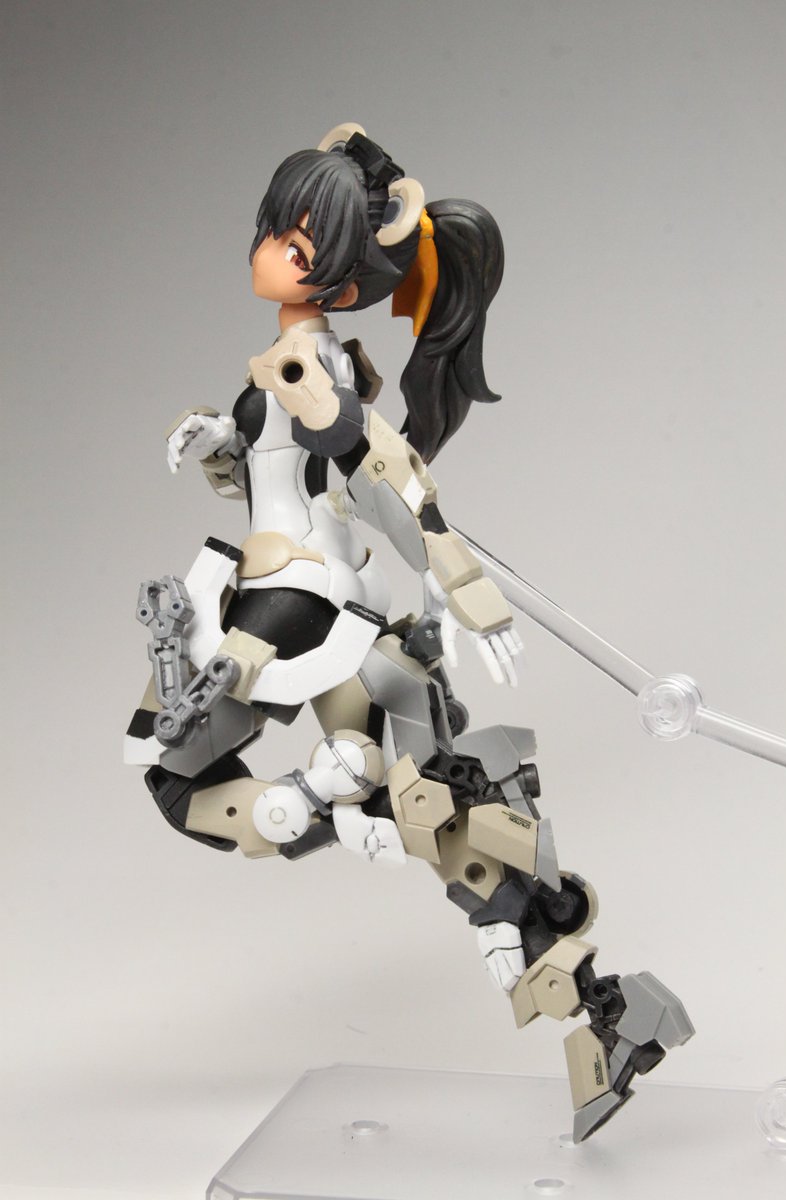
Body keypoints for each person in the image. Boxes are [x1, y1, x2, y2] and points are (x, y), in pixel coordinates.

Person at [125, 124, 692, 1142]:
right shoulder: (290, 366)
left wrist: (465, 589)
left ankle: (344, 803)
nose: (267, 249)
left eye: (294, 243)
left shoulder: (312, 366)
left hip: (296, 609)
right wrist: (221, 436)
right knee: (423, 811)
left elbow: (383, 473)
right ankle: (596, 1006)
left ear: (339, 281)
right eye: (274, 230)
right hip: (291, 600)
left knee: (399, 805)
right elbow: (288, 475)